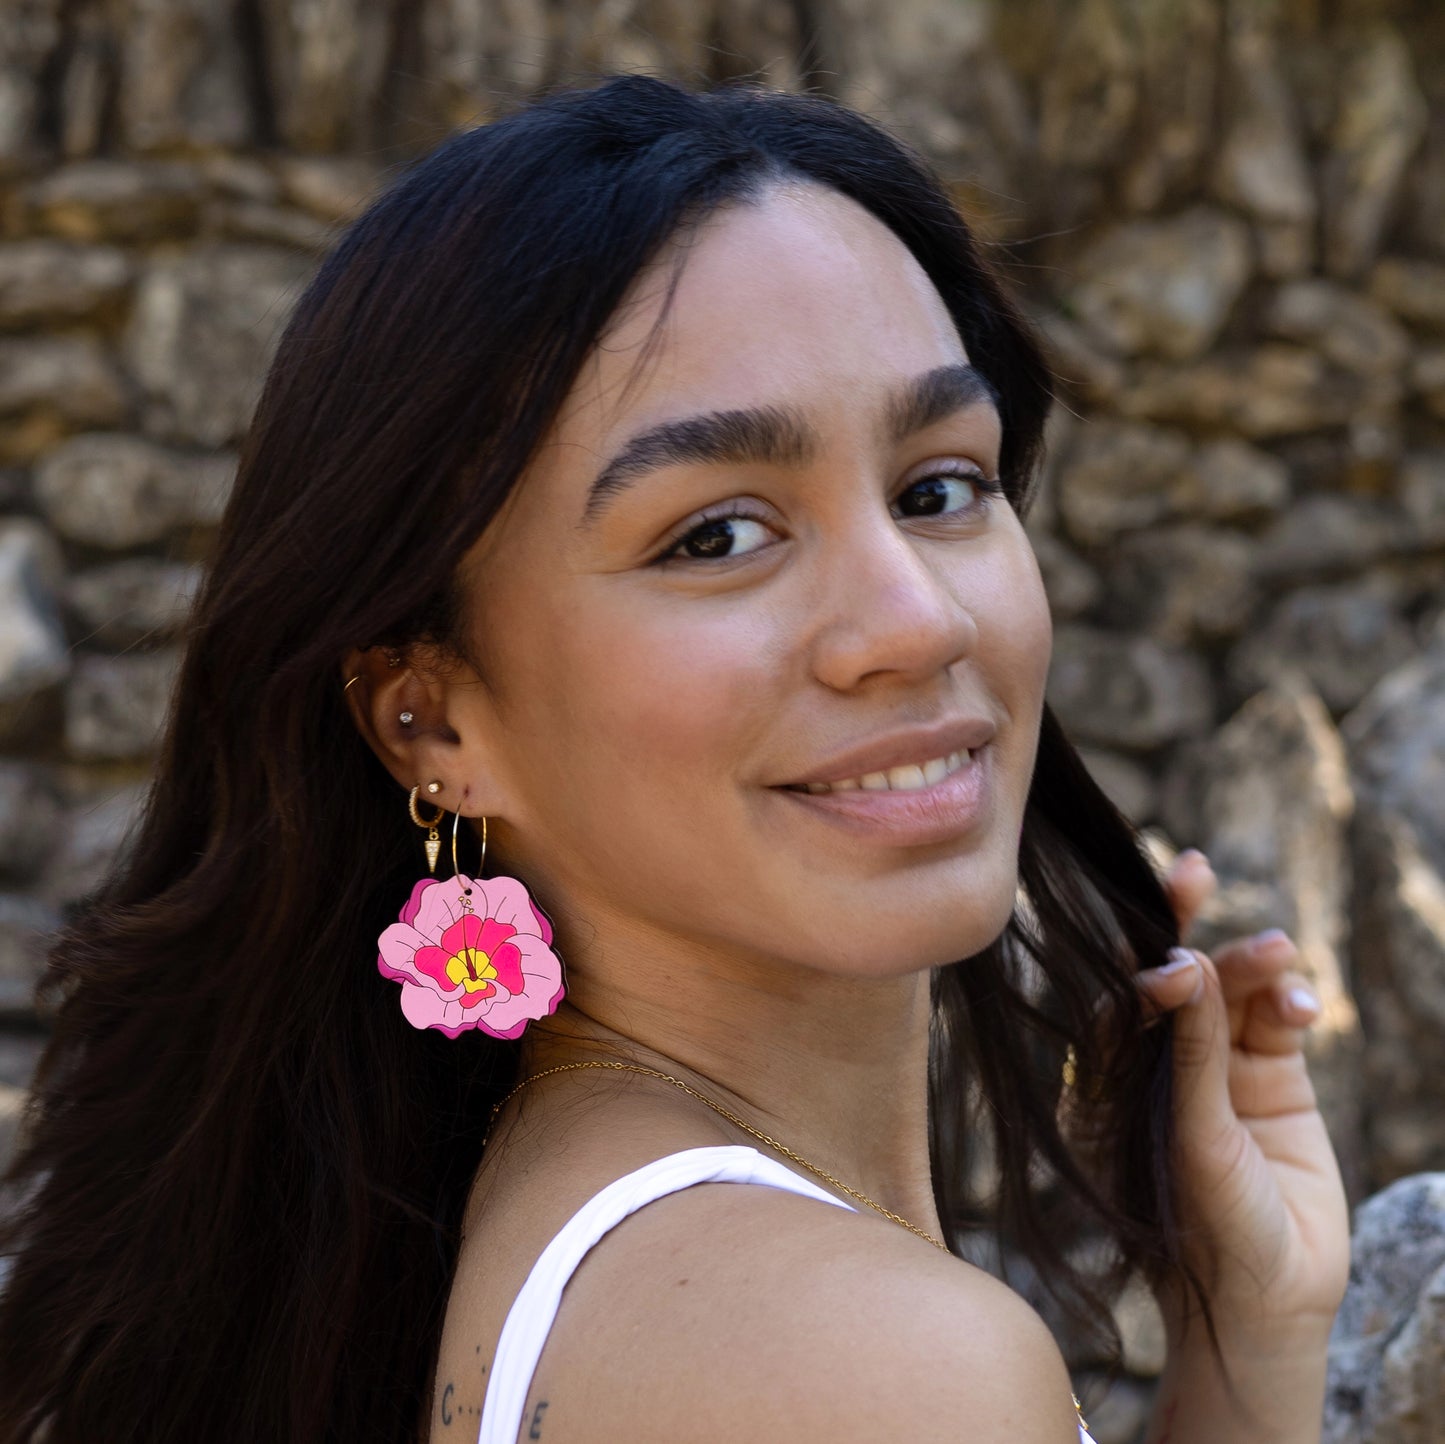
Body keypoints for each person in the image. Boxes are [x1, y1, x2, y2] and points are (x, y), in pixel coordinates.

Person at [0, 75, 1349, 1443]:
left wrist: (1248, 1344)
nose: (914, 620)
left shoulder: (547, 1234)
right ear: (435, 722)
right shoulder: (857, 1366)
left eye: (939, 489)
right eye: (714, 535)